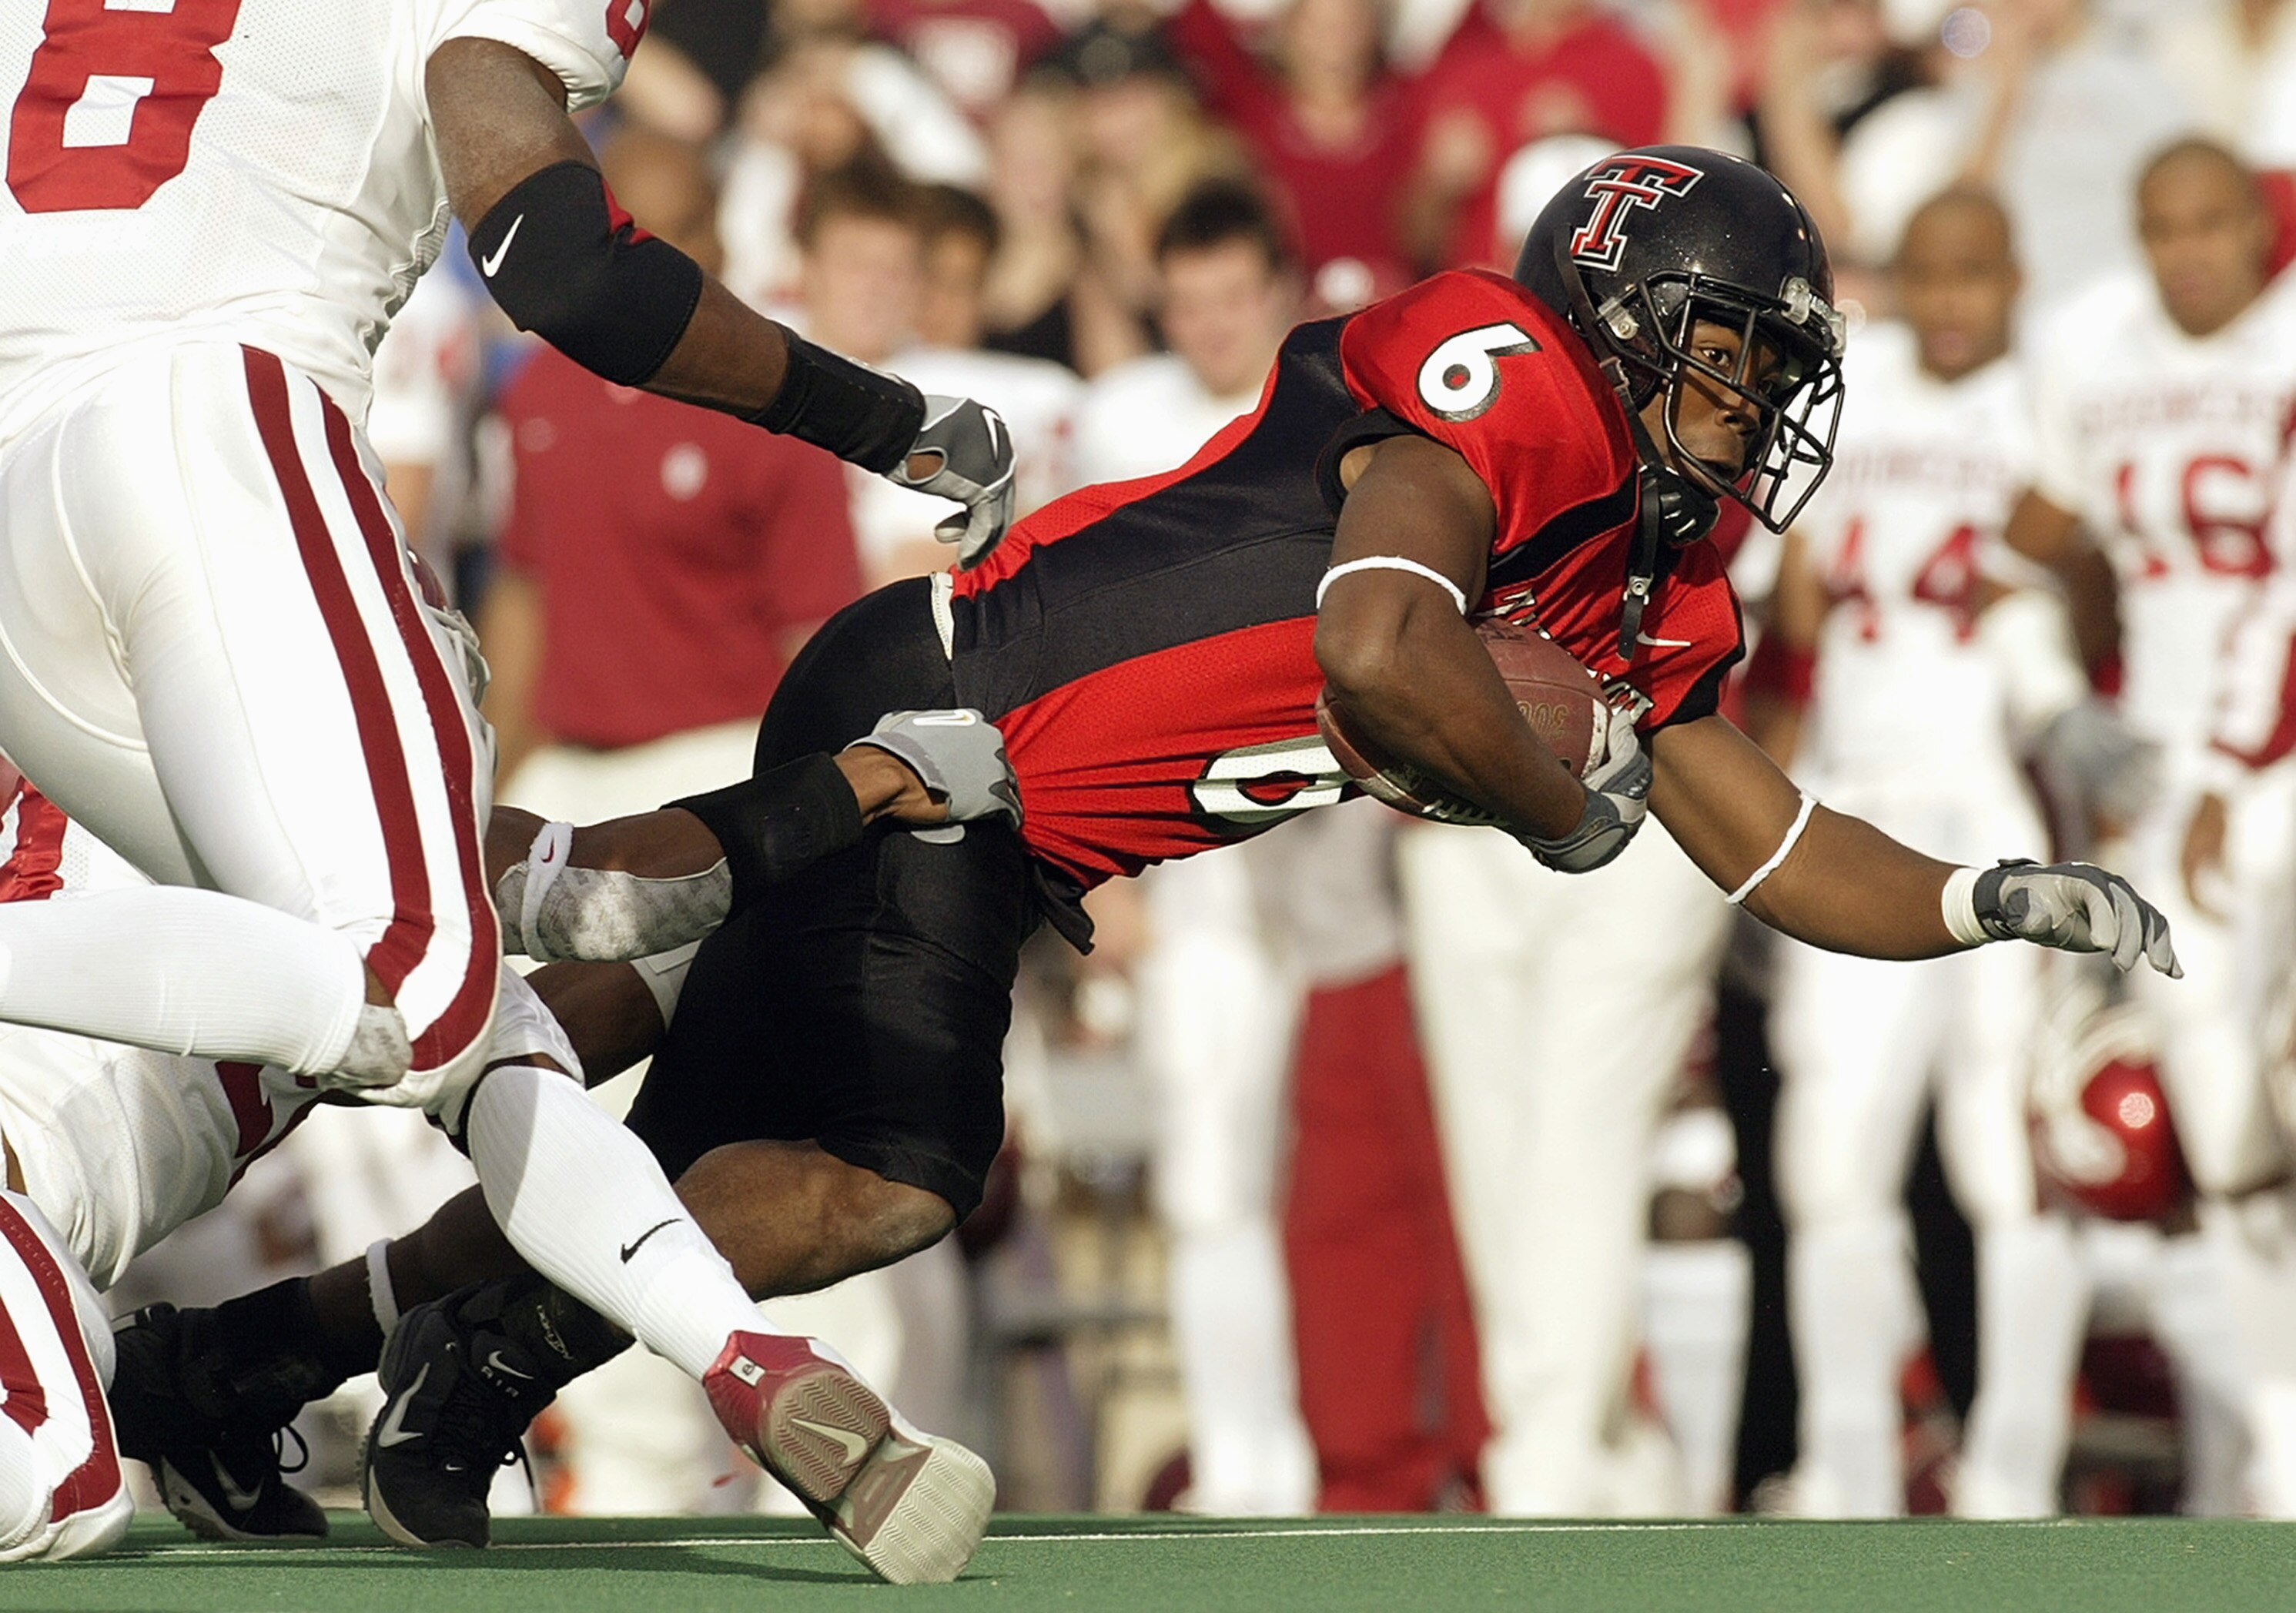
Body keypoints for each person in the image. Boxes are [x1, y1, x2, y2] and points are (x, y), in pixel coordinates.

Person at [136, 146, 2178, 1544]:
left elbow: (1769, 842)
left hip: (994, 808)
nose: (1754, 397)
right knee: (884, 1178)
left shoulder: (1633, 576)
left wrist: (1984, 901)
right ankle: (456, 1317)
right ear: (1624, 319)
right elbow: (1379, 651)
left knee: (698, 1161)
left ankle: (247, 1363)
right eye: (1729, 348)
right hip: (942, 726)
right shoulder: (1507, 389)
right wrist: (1563, 800)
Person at [0, 0, 1015, 1575]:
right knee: (409, 978)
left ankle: (760, 1378)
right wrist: (891, 422)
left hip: (21, 516)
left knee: (454, 1003)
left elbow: (571, 897)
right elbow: (572, 263)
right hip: (205, 419)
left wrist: (853, 792)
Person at [0, 699, 1016, 1564]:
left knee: (469, 1016)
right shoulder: (248, 714)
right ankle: (742, 1355)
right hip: (32, 1196)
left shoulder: (131, 692)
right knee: (59, 1482)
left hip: (71, 1203)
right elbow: (582, 895)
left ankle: (215, 1377)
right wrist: (865, 781)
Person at [1747, 189, 2128, 1518]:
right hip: (1853, 794)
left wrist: (2068, 571)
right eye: (1931, 272)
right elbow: (1789, 611)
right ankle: (1848, 1467)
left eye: (1977, 269)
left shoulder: (2054, 396)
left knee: (2000, 1153)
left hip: (1988, 794)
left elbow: (2093, 604)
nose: (1953, 297)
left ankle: (2012, 1475)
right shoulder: (1845, 395)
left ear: (2018, 274)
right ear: (1897, 280)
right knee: (1828, 1157)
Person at [2006, 136, 2296, 1513]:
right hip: (2151, 770)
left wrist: (2233, 774)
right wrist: (2060, 699)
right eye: (2158, 226)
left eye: (2207, 225)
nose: (2186, 253)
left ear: (2254, 227)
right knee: (2205, 1092)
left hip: (2265, 757)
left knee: (2252, 1094)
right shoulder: (2084, 349)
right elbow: (2023, 541)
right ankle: (2261, 1446)